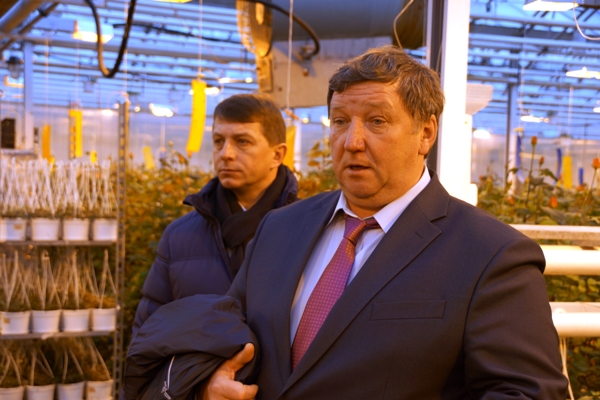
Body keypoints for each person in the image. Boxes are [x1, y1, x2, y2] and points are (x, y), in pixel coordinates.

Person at [200, 45, 568, 399]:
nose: (352, 142)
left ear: (426, 133)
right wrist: (209, 382)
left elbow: (528, 392)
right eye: (340, 122)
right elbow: (226, 332)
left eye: (377, 121)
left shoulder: (490, 254)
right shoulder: (279, 228)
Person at [132, 93, 298, 335]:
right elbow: (149, 331)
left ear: (277, 155)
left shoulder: (308, 230)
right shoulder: (180, 237)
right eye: (219, 141)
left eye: (242, 141)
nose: (226, 153)